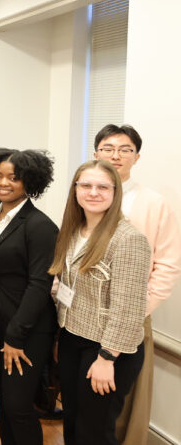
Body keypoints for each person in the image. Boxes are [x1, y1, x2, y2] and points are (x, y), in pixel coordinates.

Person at [49, 160, 152, 445]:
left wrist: (107, 358)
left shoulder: (128, 239)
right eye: (86, 185)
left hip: (107, 349)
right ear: (75, 190)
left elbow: (128, 309)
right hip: (73, 338)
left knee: (94, 432)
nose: (93, 192)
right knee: (73, 423)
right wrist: (61, 336)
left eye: (102, 187)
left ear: (115, 192)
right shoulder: (72, 230)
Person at [92, 124, 181, 445]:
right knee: (87, 404)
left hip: (130, 314)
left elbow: (168, 265)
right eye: (107, 148)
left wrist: (137, 311)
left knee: (121, 403)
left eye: (125, 149)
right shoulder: (86, 193)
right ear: (95, 153)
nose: (115, 155)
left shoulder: (153, 203)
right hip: (84, 315)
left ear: (137, 156)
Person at [0, 148, 58, 445]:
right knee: (5, 403)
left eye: (13, 177)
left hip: (25, 328)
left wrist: (15, 336)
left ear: (29, 181)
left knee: (18, 405)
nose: (3, 183)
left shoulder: (40, 226)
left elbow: (40, 284)